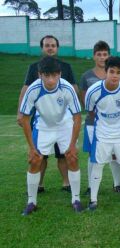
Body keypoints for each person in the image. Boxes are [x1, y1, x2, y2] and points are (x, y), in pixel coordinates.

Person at [20, 56, 82, 215]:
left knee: (72, 158)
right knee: (35, 160)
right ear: (40, 74)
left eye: (54, 75)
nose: (51, 80)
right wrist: (31, 147)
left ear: (60, 74)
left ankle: (76, 199)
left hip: (64, 125)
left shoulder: (67, 88)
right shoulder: (33, 89)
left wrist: (73, 145)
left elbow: (77, 117)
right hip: (44, 127)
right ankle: (31, 202)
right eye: (46, 76)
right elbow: (25, 119)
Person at [17, 35, 77, 193]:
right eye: (46, 45)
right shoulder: (34, 67)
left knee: (63, 154)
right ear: (42, 48)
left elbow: (73, 87)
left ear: (57, 48)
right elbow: (25, 89)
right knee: (40, 155)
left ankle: (67, 183)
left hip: (62, 118)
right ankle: (39, 185)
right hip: (41, 118)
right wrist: (19, 112)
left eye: (53, 45)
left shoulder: (65, 67)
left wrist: (72, 105)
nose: (50, 48)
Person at [85, 56, 120, 210]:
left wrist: (119, 124)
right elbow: (90, 112)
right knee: (97, 165)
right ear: (106, 72)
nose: (115, 75)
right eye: (112, 71)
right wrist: (106, 124)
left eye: (118, 72)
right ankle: (93, 201)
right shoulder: (93, 91)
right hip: (102, 134)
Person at [80, 41, 120, 195]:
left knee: (115, 153)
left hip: (115, 124)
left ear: (109, 56)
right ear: (94, 56)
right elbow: (85, 101)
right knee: (93, 154)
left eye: (105, 54)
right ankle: (91, 186)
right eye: (99, 54)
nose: (102, 57)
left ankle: (117, 184)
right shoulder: (87, 76)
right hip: (93, 123)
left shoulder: (116, 75)